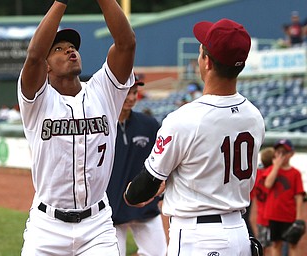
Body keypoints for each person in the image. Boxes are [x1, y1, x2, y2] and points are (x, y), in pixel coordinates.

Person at [123, 18, 265, 255]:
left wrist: (130, 194)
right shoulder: (254, 115)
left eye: (201, 52)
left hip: (199, 237)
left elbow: (143, 188)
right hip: (239, 231)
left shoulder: (184, 118)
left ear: (206, 62)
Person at [17, 0, 136, 254]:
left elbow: (126, 44)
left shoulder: (103, 91)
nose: (70, 51)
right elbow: (34, 55)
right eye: (59, 49)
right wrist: (61, 1)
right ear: (46, 65)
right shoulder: (37, 100)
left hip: (97, 225)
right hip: (47, 225)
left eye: (72, 47)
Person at [106, 74, 167, 256]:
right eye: (126, 93)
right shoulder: (101, 125)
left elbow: (162, 161)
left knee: (158, 253)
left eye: (134, 92)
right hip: (111, 209)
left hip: (144, 205)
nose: (131, 98)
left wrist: (160, 192)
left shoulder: (149, 124)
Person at [263, 139, 305, 256]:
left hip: (289, 215)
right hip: (274, 214)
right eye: (278, 152)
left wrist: (299, 218)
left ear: (291, 154)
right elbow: (268, 184)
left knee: (293, 244)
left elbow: (299, 196)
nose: (280, 155)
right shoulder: (272, 170)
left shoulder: (295, 173)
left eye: (284, 152)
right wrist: (276, 166)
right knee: (276, 245)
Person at [251, 147, 275, 255]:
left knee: (262, 247)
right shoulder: (271, 174)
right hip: (269, 215)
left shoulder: (257, 173)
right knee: (271, 247)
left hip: (259, 214)